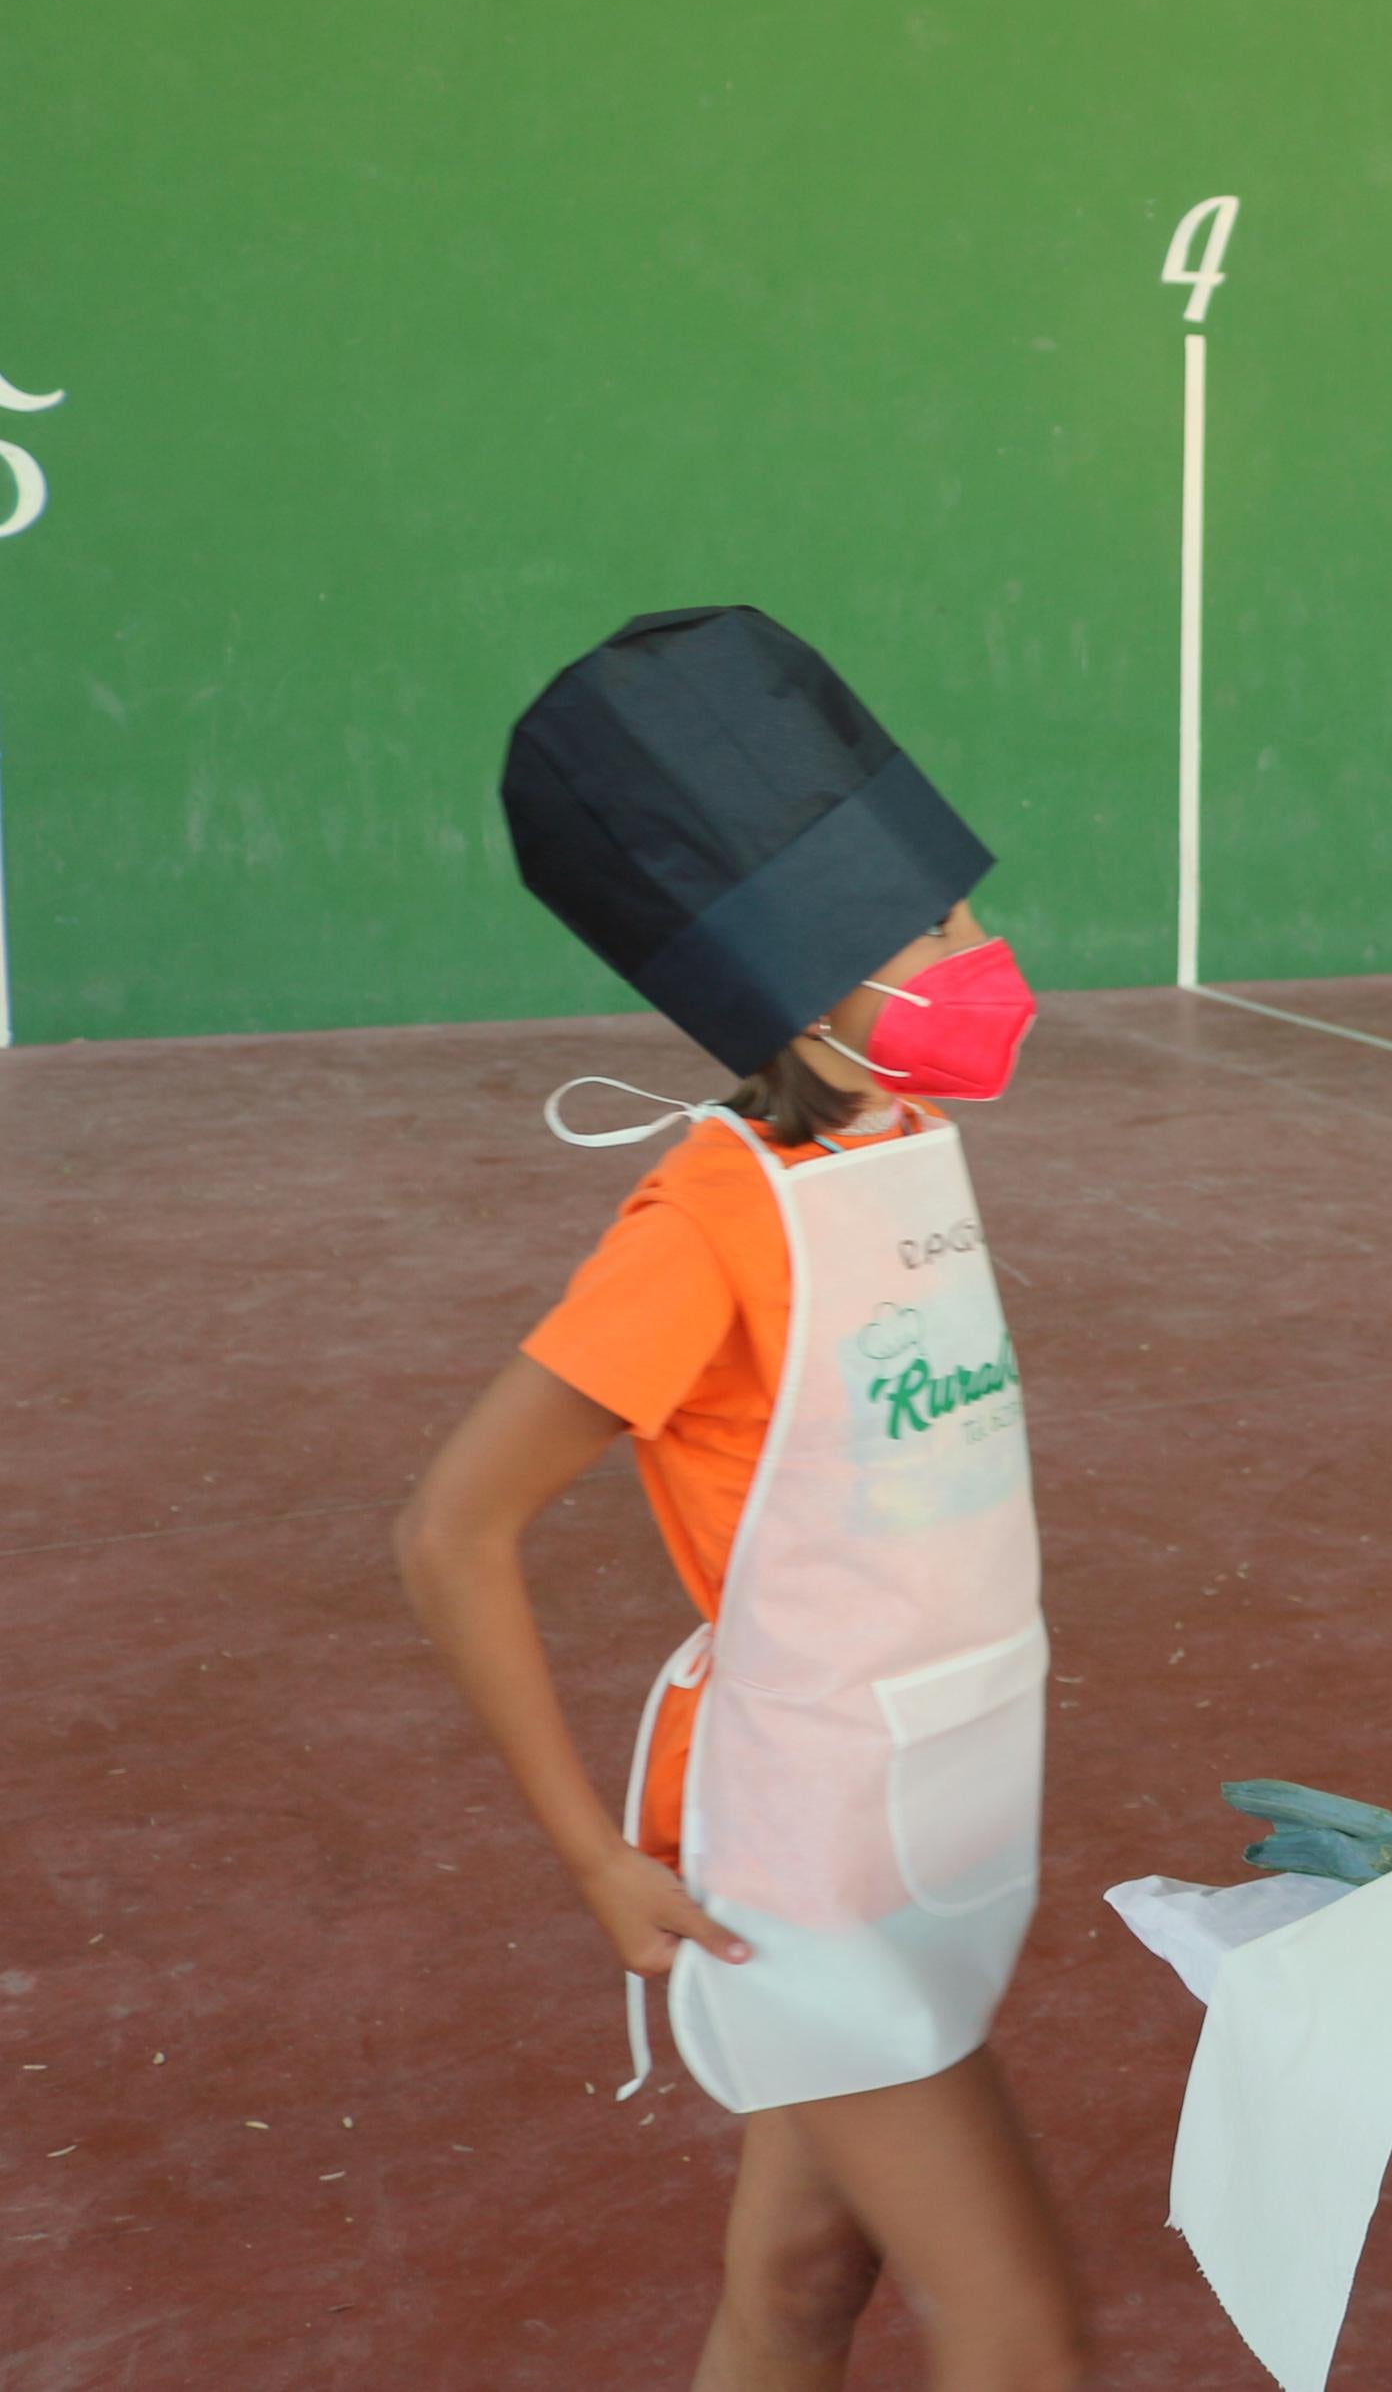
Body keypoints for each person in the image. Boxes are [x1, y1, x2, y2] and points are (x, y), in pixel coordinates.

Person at [395, 607, 1083, 2391]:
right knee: (1022, 2338)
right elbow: (452, 1530)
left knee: (792, 2282)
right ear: (794, 978)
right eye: (925, 928)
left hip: (948, 1805)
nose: (977, 949)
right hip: (811, 1866)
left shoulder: (902, 1145)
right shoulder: (706, 1221)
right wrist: (592, 1859)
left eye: (957, 906)